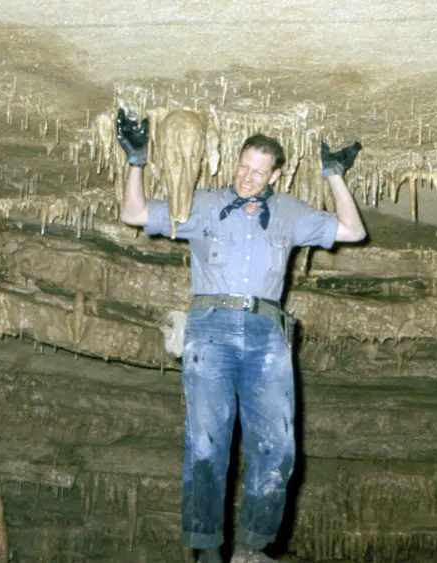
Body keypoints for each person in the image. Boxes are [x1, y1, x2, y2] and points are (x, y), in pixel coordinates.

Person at [115, 109, 366, 563]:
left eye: (258, 171)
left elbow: (353, 229)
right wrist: (135, 160)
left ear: (276, 173)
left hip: (266, 334)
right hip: (210, 328)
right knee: (207, 441)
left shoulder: (289, 211)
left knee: (279, 444)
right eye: (243, 167)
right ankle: (207, 549)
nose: (248, 178)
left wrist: (333, 175)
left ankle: (252, 548)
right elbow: (133, 212)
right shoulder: (203, 202)